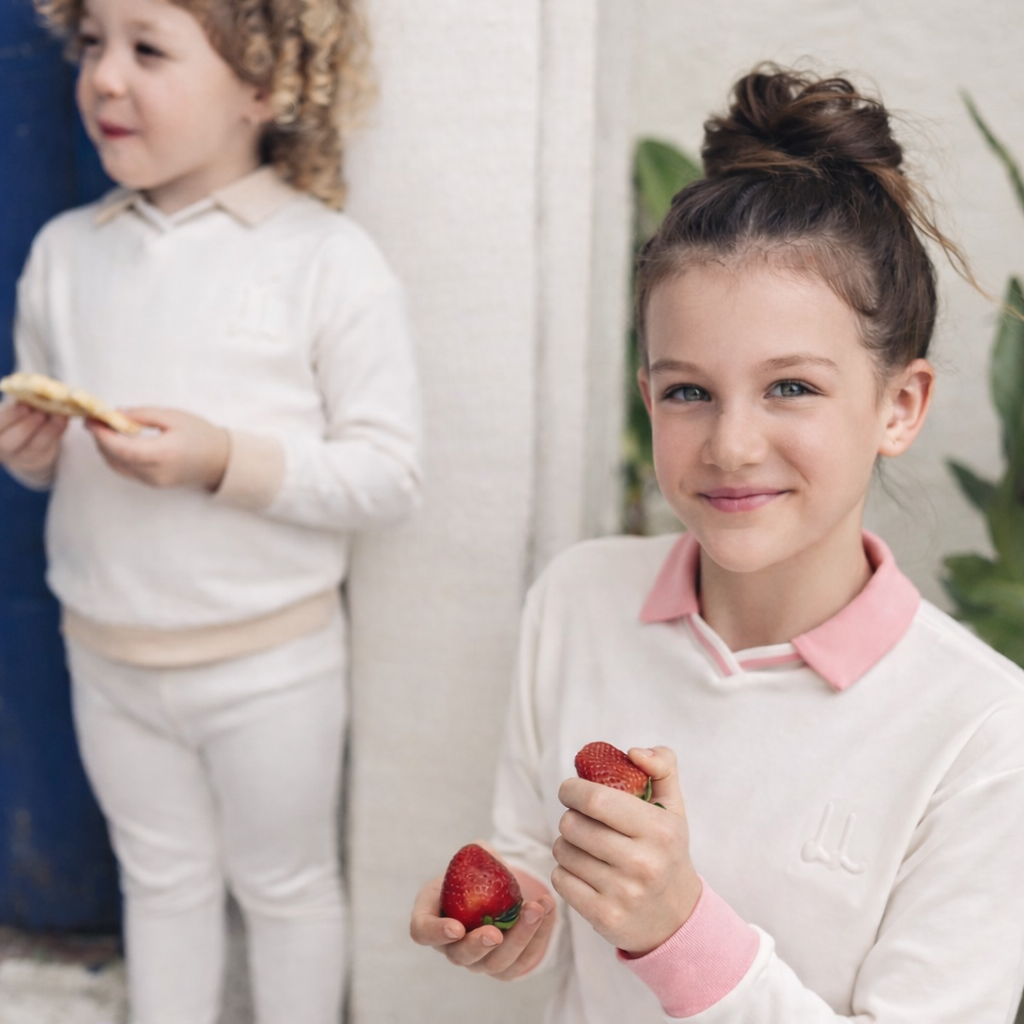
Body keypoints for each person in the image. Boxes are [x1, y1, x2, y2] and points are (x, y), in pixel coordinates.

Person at [411, 66, 1024, 1022]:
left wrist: (677, 930)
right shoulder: (576, 599)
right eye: (690, 391)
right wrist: (522, 914)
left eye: (792, 387)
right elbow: (534, 855)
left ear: (899, 406)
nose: (732, 445)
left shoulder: (986, 735)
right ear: (649, 395)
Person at [0, 0, 421, 1019]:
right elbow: (61, 463)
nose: (104, 76)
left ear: (264, 87)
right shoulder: (66, 252)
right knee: (161, 880)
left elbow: (388, 474)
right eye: (93, 44)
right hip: (107, 653)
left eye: (147, 49)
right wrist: (32, 461)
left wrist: (223, 457)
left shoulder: (326, 260)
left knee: (283, 887)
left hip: (267, 665)